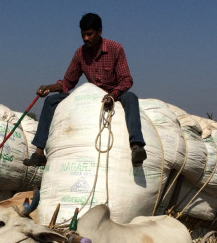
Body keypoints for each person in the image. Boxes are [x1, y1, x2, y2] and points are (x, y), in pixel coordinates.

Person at [23, 13, 147, 168]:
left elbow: (126, 80)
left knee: (131, 97)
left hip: (114, 94)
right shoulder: (80, 54)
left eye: (89, 34)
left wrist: (113, 94)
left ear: (99, 31)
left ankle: (136, 146)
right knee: (51, 100)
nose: (86, 38)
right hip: (92, 95)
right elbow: (68, 82)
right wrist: (48, 88)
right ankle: (39, 153)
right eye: (83, 35)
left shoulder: (115, 49)